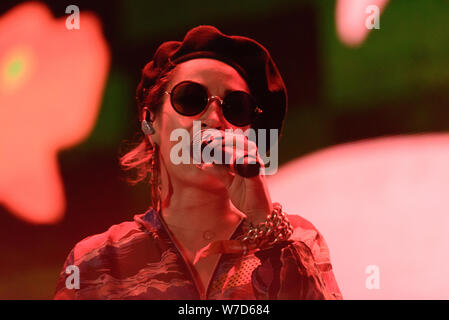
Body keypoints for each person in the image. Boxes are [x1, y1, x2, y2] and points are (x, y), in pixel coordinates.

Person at [54, 25, 342, 300]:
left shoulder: (297, 242)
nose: (215, 119)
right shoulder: (98, 261)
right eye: (191, 99)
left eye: (235, 108)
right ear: (149, 121)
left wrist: (265, 230)